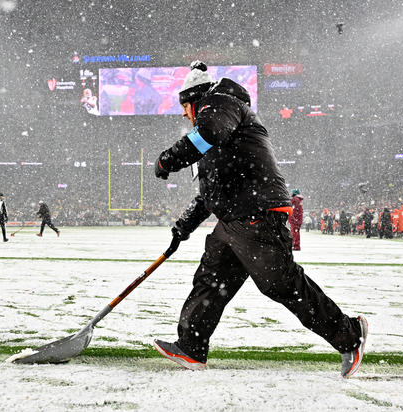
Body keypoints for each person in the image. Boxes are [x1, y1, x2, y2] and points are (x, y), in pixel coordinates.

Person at [151, 61, 367, 378]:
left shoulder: (219, 104)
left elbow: (208, 132)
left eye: (185, 106)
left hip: (256, 214)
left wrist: (168, 159)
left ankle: (350, 334)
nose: (184, 114)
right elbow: (210, 194)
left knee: (280, 284)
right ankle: (191, 347)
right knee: (211, 281)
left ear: (195, 99)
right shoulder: (214, 137)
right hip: (235, 219)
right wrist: (182, 227)